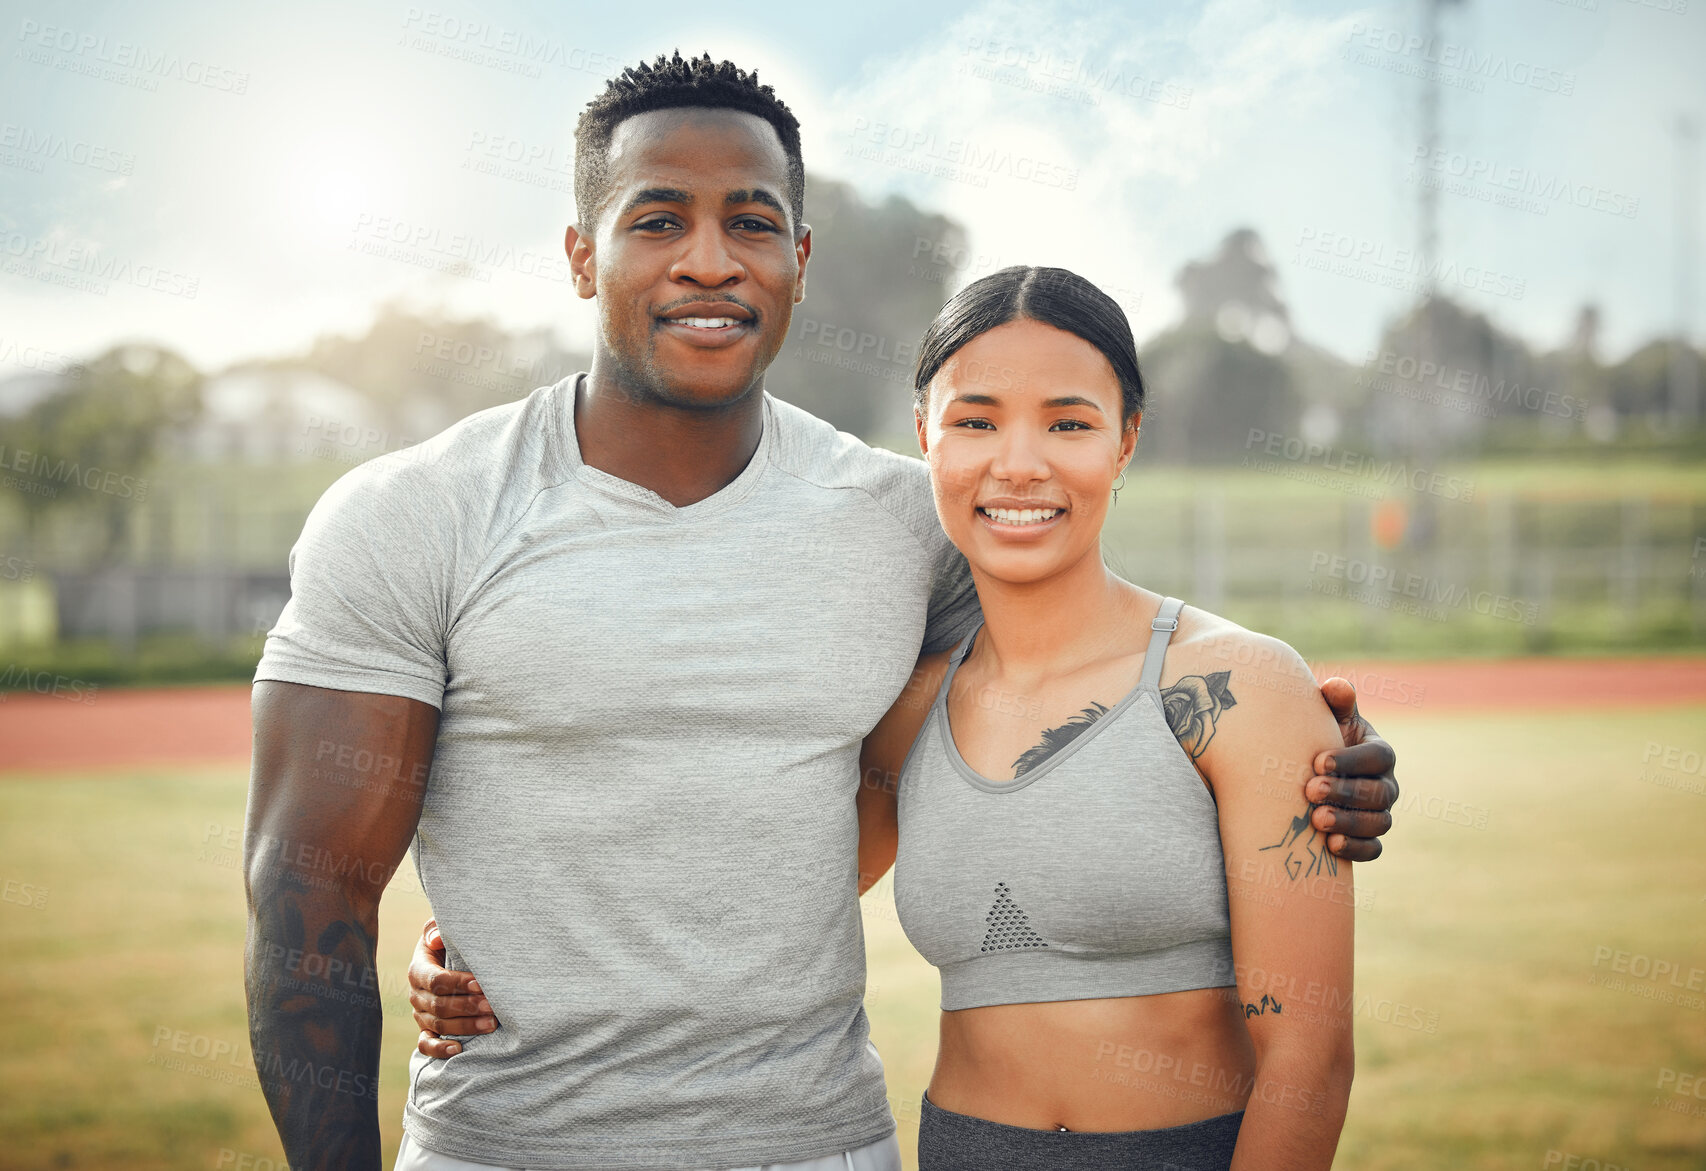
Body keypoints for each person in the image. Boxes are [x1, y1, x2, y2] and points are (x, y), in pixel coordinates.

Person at [247, 52, 1398, 1171]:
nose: (709, 260)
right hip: (502, 1141)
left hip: (820, 1141)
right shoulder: (412, 513)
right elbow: (309, 889)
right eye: (656, 221)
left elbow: (1088, 680)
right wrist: (522, 932)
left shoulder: (905, 524)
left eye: (749, 223)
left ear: (797, 258)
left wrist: (1313, 749)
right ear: (579, 257)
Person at [416, 267, 1360, 1170]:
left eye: (1068, 422)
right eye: (976, 420)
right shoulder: (914, 710)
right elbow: (766, 900)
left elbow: (1309, 1061)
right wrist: (483, 949)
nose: (1019, 462)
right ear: (925, 438)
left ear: (1125, 440)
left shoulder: (1239, 685)